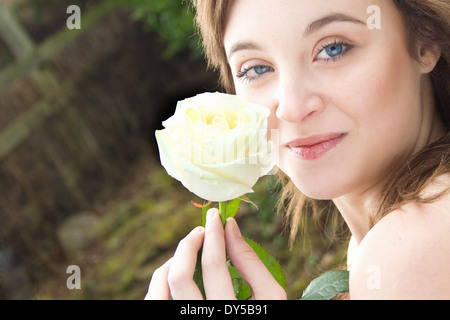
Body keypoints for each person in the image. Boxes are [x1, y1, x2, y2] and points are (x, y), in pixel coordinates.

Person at [146, 0, 450, 299]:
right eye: (257, 68)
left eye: (334, 48)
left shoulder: (412, 247)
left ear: (425, 41)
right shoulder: (385, 241)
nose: (291, 108)